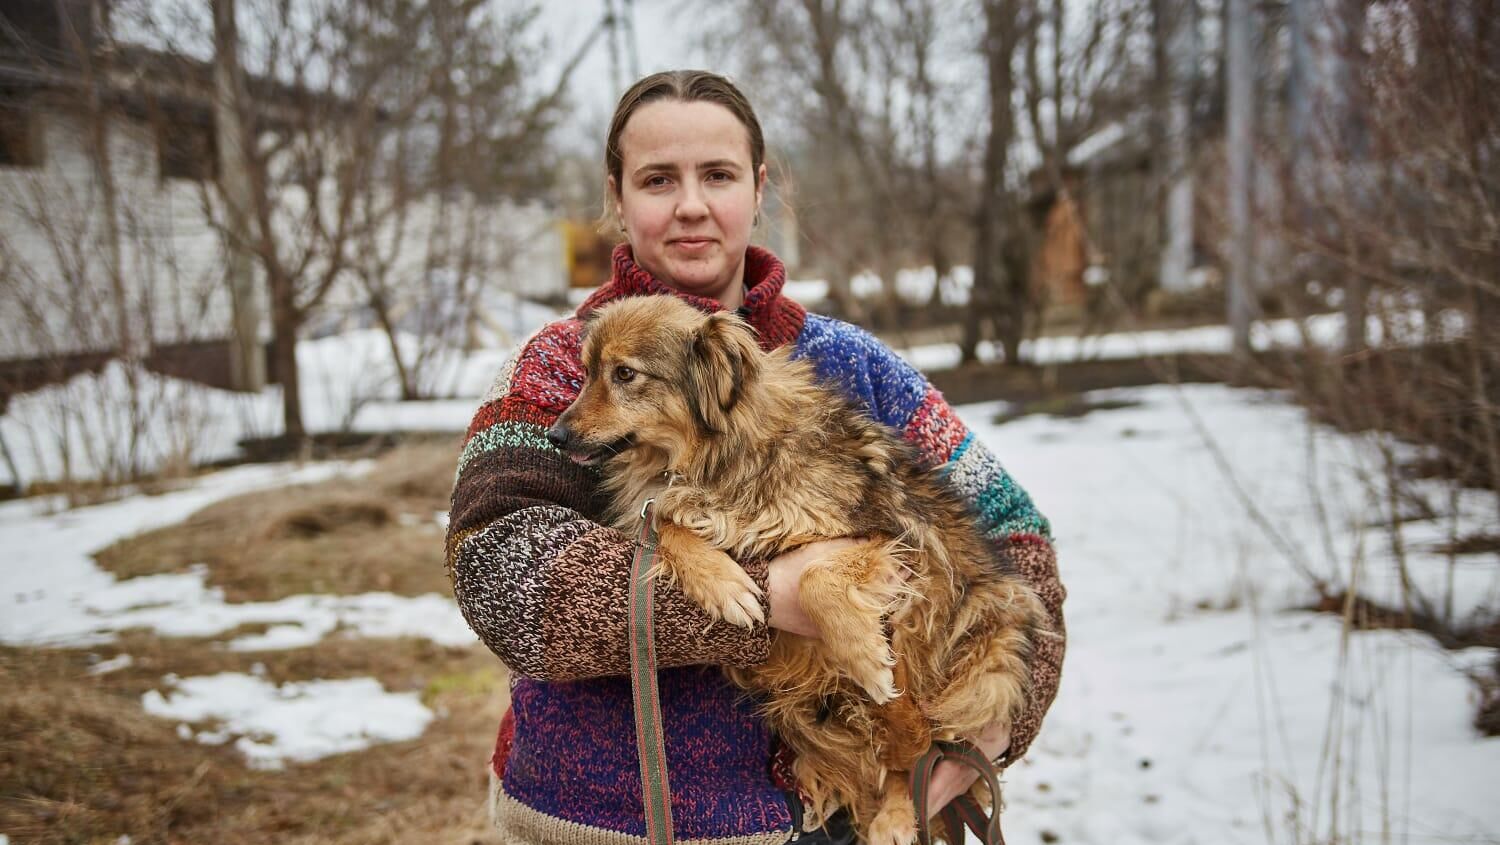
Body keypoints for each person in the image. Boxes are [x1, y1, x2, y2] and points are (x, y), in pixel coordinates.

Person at [447, 69, 1066, 845]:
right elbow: (501, 575)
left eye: (718, 174)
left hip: (839, 822)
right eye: (657, 179)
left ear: (759, 185)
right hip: (601, 825)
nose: (692, 205)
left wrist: (993, 726)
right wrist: (772, 596)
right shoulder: (557, 367)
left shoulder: (853, 363)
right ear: (617, 195)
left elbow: (1016, 532)